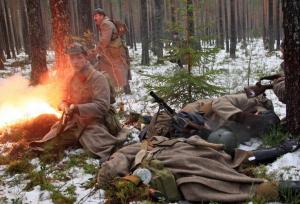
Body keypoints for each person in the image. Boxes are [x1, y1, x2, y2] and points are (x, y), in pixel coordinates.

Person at [97, 135, 299, 203]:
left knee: (227, 186)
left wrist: (111, 177)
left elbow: (110, 171)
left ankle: (283, 187)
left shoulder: (125, 152)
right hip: (191, 149)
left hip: (179, 159)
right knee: (234, 160)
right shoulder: (149, 141)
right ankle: (280, 149)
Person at [30, 42, 128, 161]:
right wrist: (64, 106)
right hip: (74, 121)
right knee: (49, 141)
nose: (75, 62)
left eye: (79, 57)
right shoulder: (70, 78)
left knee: (102, 148)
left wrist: (77, 108)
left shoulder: (98, 78)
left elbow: (102, 106)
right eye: (72, 58)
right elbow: (62, 99)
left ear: (86, 57)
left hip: (96, 121)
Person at [92, 8, 131, 94]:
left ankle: (110, 91)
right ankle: (124, 90)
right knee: (119, 69)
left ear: (102, 16)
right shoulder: (107, 22)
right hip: (115, 50)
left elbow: (105, 41)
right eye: (94, 16)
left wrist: (96, 50)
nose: (94, 18)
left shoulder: (105, 24)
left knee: (111, 70)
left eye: (96, 16)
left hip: (113, 52)